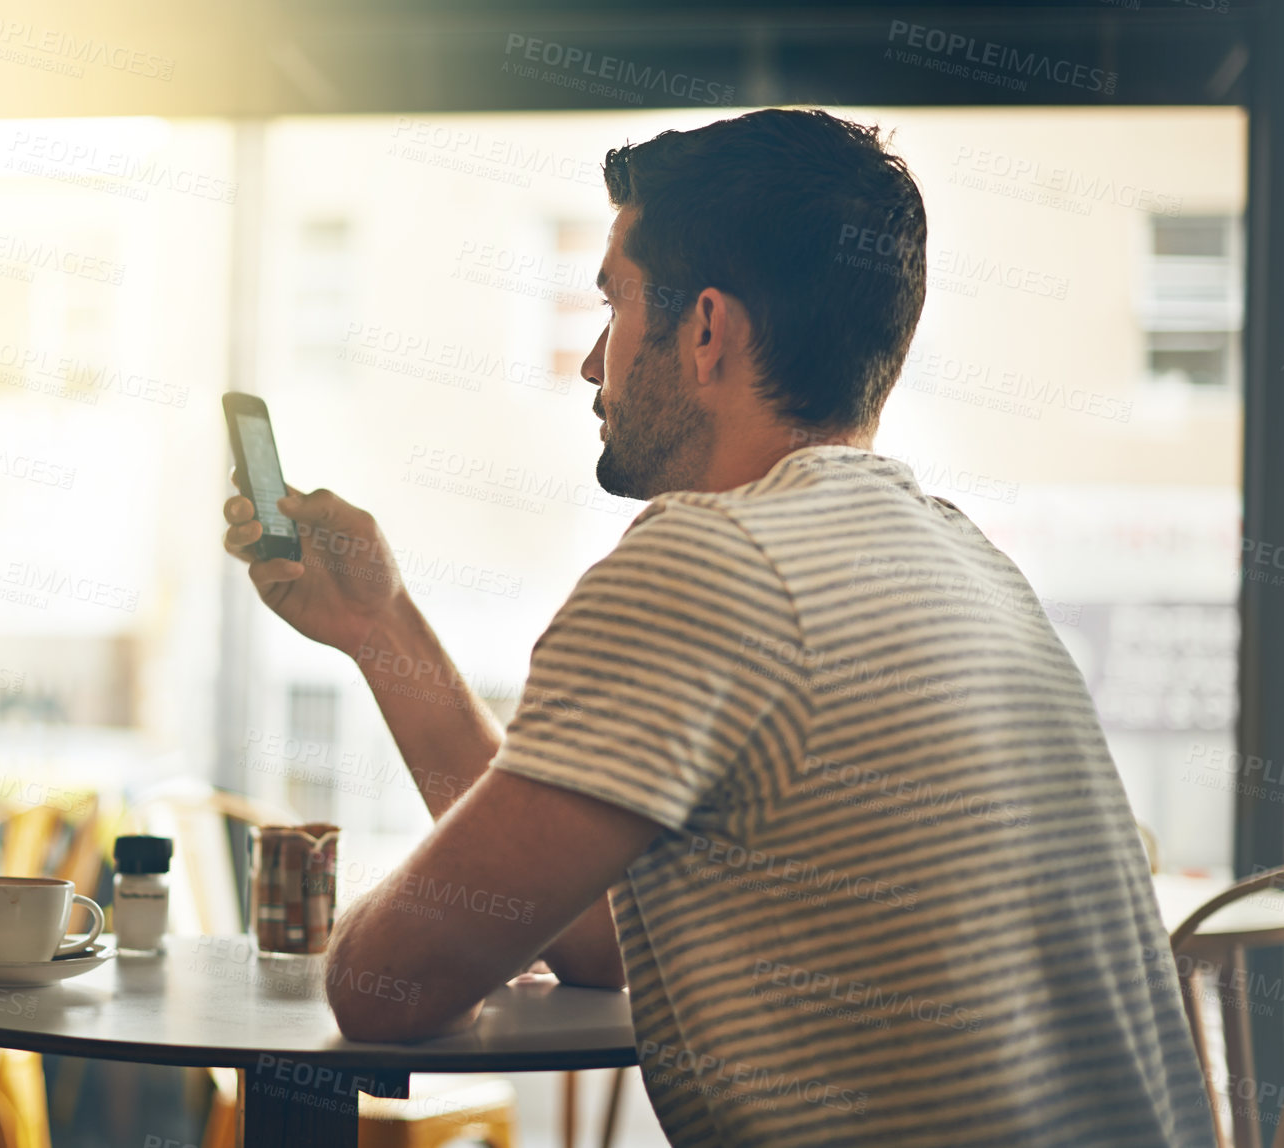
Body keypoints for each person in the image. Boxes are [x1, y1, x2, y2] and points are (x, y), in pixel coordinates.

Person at [221, 108, 1213, 1147]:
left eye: (610, 303)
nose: (591, 361)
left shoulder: (709, 561)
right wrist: (383, 624)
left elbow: (386, 985)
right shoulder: (967, 566)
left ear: (704, 329)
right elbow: (600, 936)